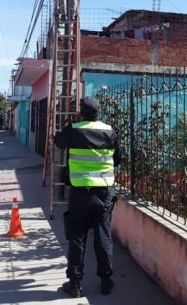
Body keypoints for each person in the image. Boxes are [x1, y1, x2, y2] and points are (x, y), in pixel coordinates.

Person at [54, 97, 122, 298]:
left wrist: (72, 122)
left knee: (77, 237)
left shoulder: (75, 128)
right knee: (103, 236)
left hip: (80, 191)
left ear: (81, 112)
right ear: (98, 112)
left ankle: (75, 284)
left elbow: (58, 143)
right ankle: (106, 280)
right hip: (103, 191)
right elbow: (118, 159)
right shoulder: (109, 130)